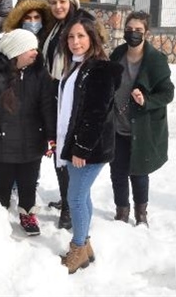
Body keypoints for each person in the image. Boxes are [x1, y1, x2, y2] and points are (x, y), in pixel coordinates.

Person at [0, 29, 56, 236]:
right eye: (30, 49)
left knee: (28, 182)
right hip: (2, 142)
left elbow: (47, 107)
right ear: (16, 52)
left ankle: (27, 212)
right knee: (3, 184)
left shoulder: (39, 74)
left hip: (33, 140)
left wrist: (51, 137)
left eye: (35, 48)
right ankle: (1, 213)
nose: (36, 52)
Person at [56, 15, 122, 274]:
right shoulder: (76, 65)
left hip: (89, 149)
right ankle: (86, 245)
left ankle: (78, 248)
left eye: (81, 36)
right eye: (71, 37)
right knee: (81, 195)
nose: (75, 41)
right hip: (76, 144)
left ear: (92, 37)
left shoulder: (99, 69)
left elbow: (96, 112)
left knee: (74, 197)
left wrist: (82, 148)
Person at [109, 11, 174, 227]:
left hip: (142, 129)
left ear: (146, 33)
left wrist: (146, 100)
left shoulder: (155, 61)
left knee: (138, 172)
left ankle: (141, 214)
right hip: (117, 126)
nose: (133, 34)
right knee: (117, 173)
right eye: (129, 30)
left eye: (138, 30)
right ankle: (121, 212)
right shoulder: (117, 54)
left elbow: (167, 93)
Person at [40, 0, 81, 230]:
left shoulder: (78, 27)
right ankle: (67, 199)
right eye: (54, 2)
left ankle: (70, 208)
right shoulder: (55, 28)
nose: (58, 6)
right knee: (58, 152)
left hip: (71, 98)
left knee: (67, 153)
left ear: (72, 2)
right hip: (55, 94)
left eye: (62, 1)